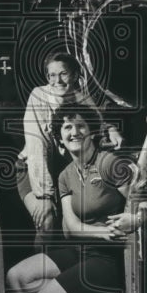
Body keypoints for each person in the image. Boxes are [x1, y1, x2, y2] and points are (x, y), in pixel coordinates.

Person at [7, 104, 146, 293]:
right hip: (81, 252)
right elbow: (70, 228)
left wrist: (136, 219)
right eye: (67, 127)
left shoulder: (109, 163)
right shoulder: (65, 175)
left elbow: (143, 204)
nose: (74, 132)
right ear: (60, 138)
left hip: (109, 258)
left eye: (81, 126)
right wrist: (103, 231)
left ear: (91, 131)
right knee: (16, 278)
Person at [17, 52, 99, 244]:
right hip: (32, 169)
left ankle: (67, 271)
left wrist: (111, 130)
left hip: (63, 171)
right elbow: (38, 147)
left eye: (63, 73)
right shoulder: (38, 96)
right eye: (52, 75)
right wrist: (45, 195)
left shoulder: (82, 97)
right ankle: (37, 272)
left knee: (73, 225)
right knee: (46, 221)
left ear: (76, 75)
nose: (58, 80)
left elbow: (96, 123)